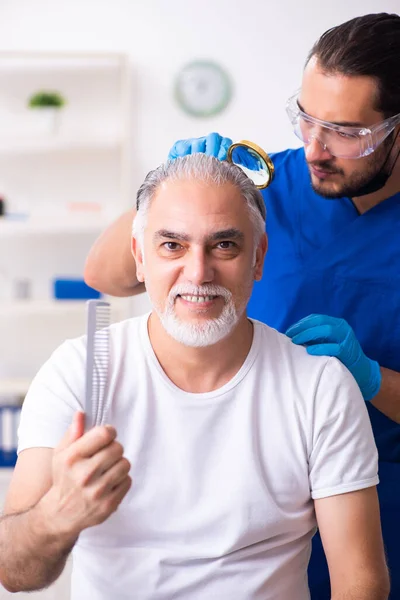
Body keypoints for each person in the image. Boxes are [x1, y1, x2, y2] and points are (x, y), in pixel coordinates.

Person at [83, 12, 400, 599]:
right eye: (305, 118)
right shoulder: (262, 181)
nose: (314, 148)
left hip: (382, 504)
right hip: (256, 498)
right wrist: (165, 187)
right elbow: (104, 274)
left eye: (345, 131)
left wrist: (372, 379)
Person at [0, 155, 390, 600]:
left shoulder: (320, 389)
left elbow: (361, 582)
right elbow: (15, 572)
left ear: (258, 259)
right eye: (172, 245)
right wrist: (57, 514)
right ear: (139, 257)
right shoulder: (77, 373)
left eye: (224, 245)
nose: (198, 273)